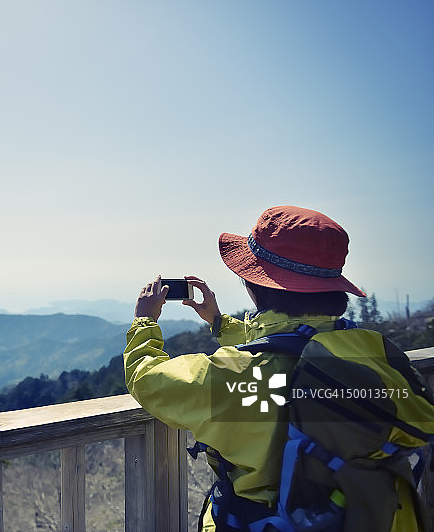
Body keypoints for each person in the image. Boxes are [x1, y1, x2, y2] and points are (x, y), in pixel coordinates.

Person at [123, 205, 434, 531]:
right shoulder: (366, 353)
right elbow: (296, 342)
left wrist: (144, 321)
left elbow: (145, 378)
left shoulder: (229, 377)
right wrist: (219, 324)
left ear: (254, 286)